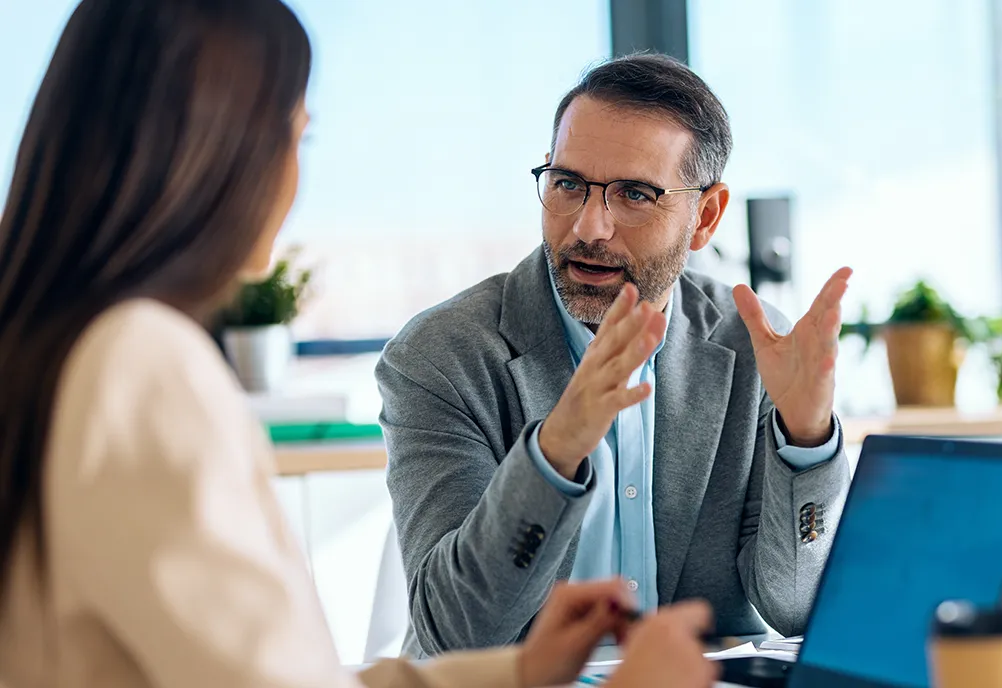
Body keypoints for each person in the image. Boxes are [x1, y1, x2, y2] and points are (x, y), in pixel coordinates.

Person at [0, 2, 717, 687]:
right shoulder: (141, 366)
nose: (295, 177)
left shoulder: (60, 351)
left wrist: (519, 673)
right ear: (210, 152)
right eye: (295, 137)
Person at [376, 53, 854, 659]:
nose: (589, 227)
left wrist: (807, 441)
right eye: (567, 184)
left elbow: (797, 609)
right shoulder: (442, 356)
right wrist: (555, 450)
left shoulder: (754, 344)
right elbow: (456, 635)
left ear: (705, 216)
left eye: (634, 194)